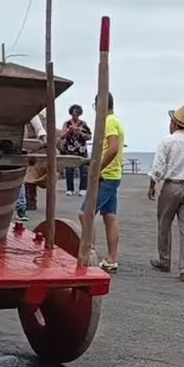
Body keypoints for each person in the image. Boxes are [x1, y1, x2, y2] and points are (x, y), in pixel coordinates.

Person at [148, 105, 184, 281]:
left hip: (172, 186)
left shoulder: (167, 141)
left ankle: (164, 260)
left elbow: (158, 168)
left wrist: (152, 185)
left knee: (164, 223)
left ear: (174, 123)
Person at [78, 93, 123, 273]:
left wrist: (97, 169)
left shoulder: (109, 121)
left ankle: (90, 252)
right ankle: (111, 259)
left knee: (85, 213)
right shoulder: (115, 121)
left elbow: (113, 148)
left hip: (106, 176)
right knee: (109, 216)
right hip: (113, 174)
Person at [15, 113, 47, 223]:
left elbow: (32, 113)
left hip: (19, 141)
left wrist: (41, 132)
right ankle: (20, 207)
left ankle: (21, 207)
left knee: (19, 175)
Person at [59, 104, 92, 196]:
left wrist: (80, 132)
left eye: (77, 114)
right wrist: (69, 131)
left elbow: (89, 136)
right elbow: (62, 136)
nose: (75, 116)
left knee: (83, 169)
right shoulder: (67, 124)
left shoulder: (83, 124)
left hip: (81, 149)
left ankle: (83, 189)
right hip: (70, 149)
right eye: (73, 114)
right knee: (69, 169)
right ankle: (70, 189)